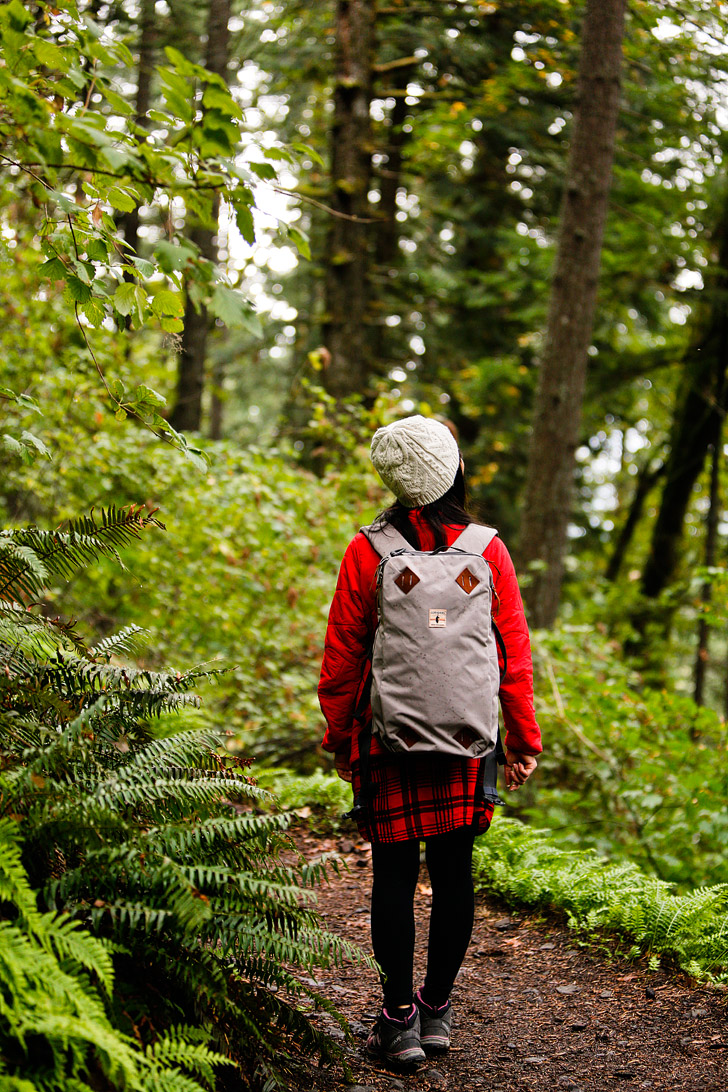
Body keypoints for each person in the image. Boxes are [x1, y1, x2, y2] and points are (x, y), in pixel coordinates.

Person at [318, 415, 541, 1069]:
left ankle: (398, 1020)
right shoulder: (488, 550)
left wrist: (338, 738)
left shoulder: (369, 550)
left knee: (392, 875)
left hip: (387, 741)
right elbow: (513, 656)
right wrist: (522, 739)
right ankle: (437, 1010)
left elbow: (343, 658)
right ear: (456, 471)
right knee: (453, 875)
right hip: (468, 744)